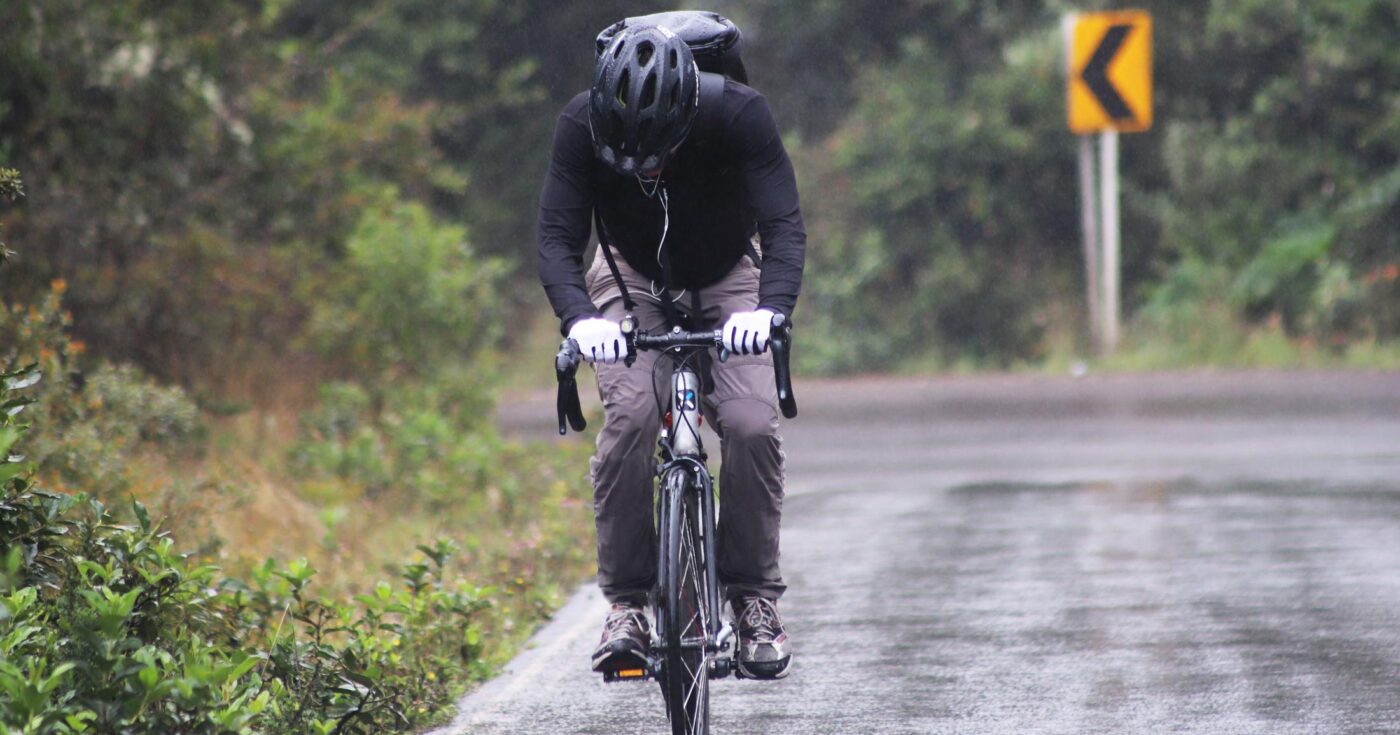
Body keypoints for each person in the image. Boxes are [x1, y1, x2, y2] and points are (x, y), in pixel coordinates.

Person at [536, 22, 804, 681]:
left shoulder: (741, 114)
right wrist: (579, 320)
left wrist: (769, 312)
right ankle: (628, 605)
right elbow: (555, 238)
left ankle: (753, 601)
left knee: (747, 422)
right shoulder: (578, 125)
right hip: (627, 274)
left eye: (658, 152)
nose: (646, 168)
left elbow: (783, 224)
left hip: (728, 271)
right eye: (629, 154)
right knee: (628, 417)